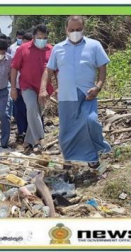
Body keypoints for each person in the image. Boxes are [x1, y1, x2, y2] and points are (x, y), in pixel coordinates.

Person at [40, 16, 111, 168]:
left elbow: (102, 69)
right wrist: (43, 89)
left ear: (83, 29)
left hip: (88, 94)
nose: (75, 32)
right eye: (72, 30)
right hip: (66, 95)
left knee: (90, 122)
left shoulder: (94, 45)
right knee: (67, 130)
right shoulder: (58, 48)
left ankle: (96, 150)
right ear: (66, 30)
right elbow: (49, 70)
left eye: (78, 29)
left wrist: (98, 87)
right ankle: (70, 161)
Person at [11, 24, 54, 153]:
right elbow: (14, 68)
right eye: (40, 37)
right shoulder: (23, 49)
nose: (42, 39)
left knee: (35, 114)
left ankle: (27, 142)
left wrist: (58, 87)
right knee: (31, 108)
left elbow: (56, 70)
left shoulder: (51, 50)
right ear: (34, 36)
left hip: (44, 88)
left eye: (45, 37)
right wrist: (13, 87)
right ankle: (38, 141)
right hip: (27, 85)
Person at [10, 32, 32, 143]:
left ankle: (31, 134)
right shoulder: (16, 50)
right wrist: (12, 87)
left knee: (31, 110)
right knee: (20, 111)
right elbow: (13, 69)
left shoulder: (35, 51)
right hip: (19, 86)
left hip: (31, 87)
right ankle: (22, 132)